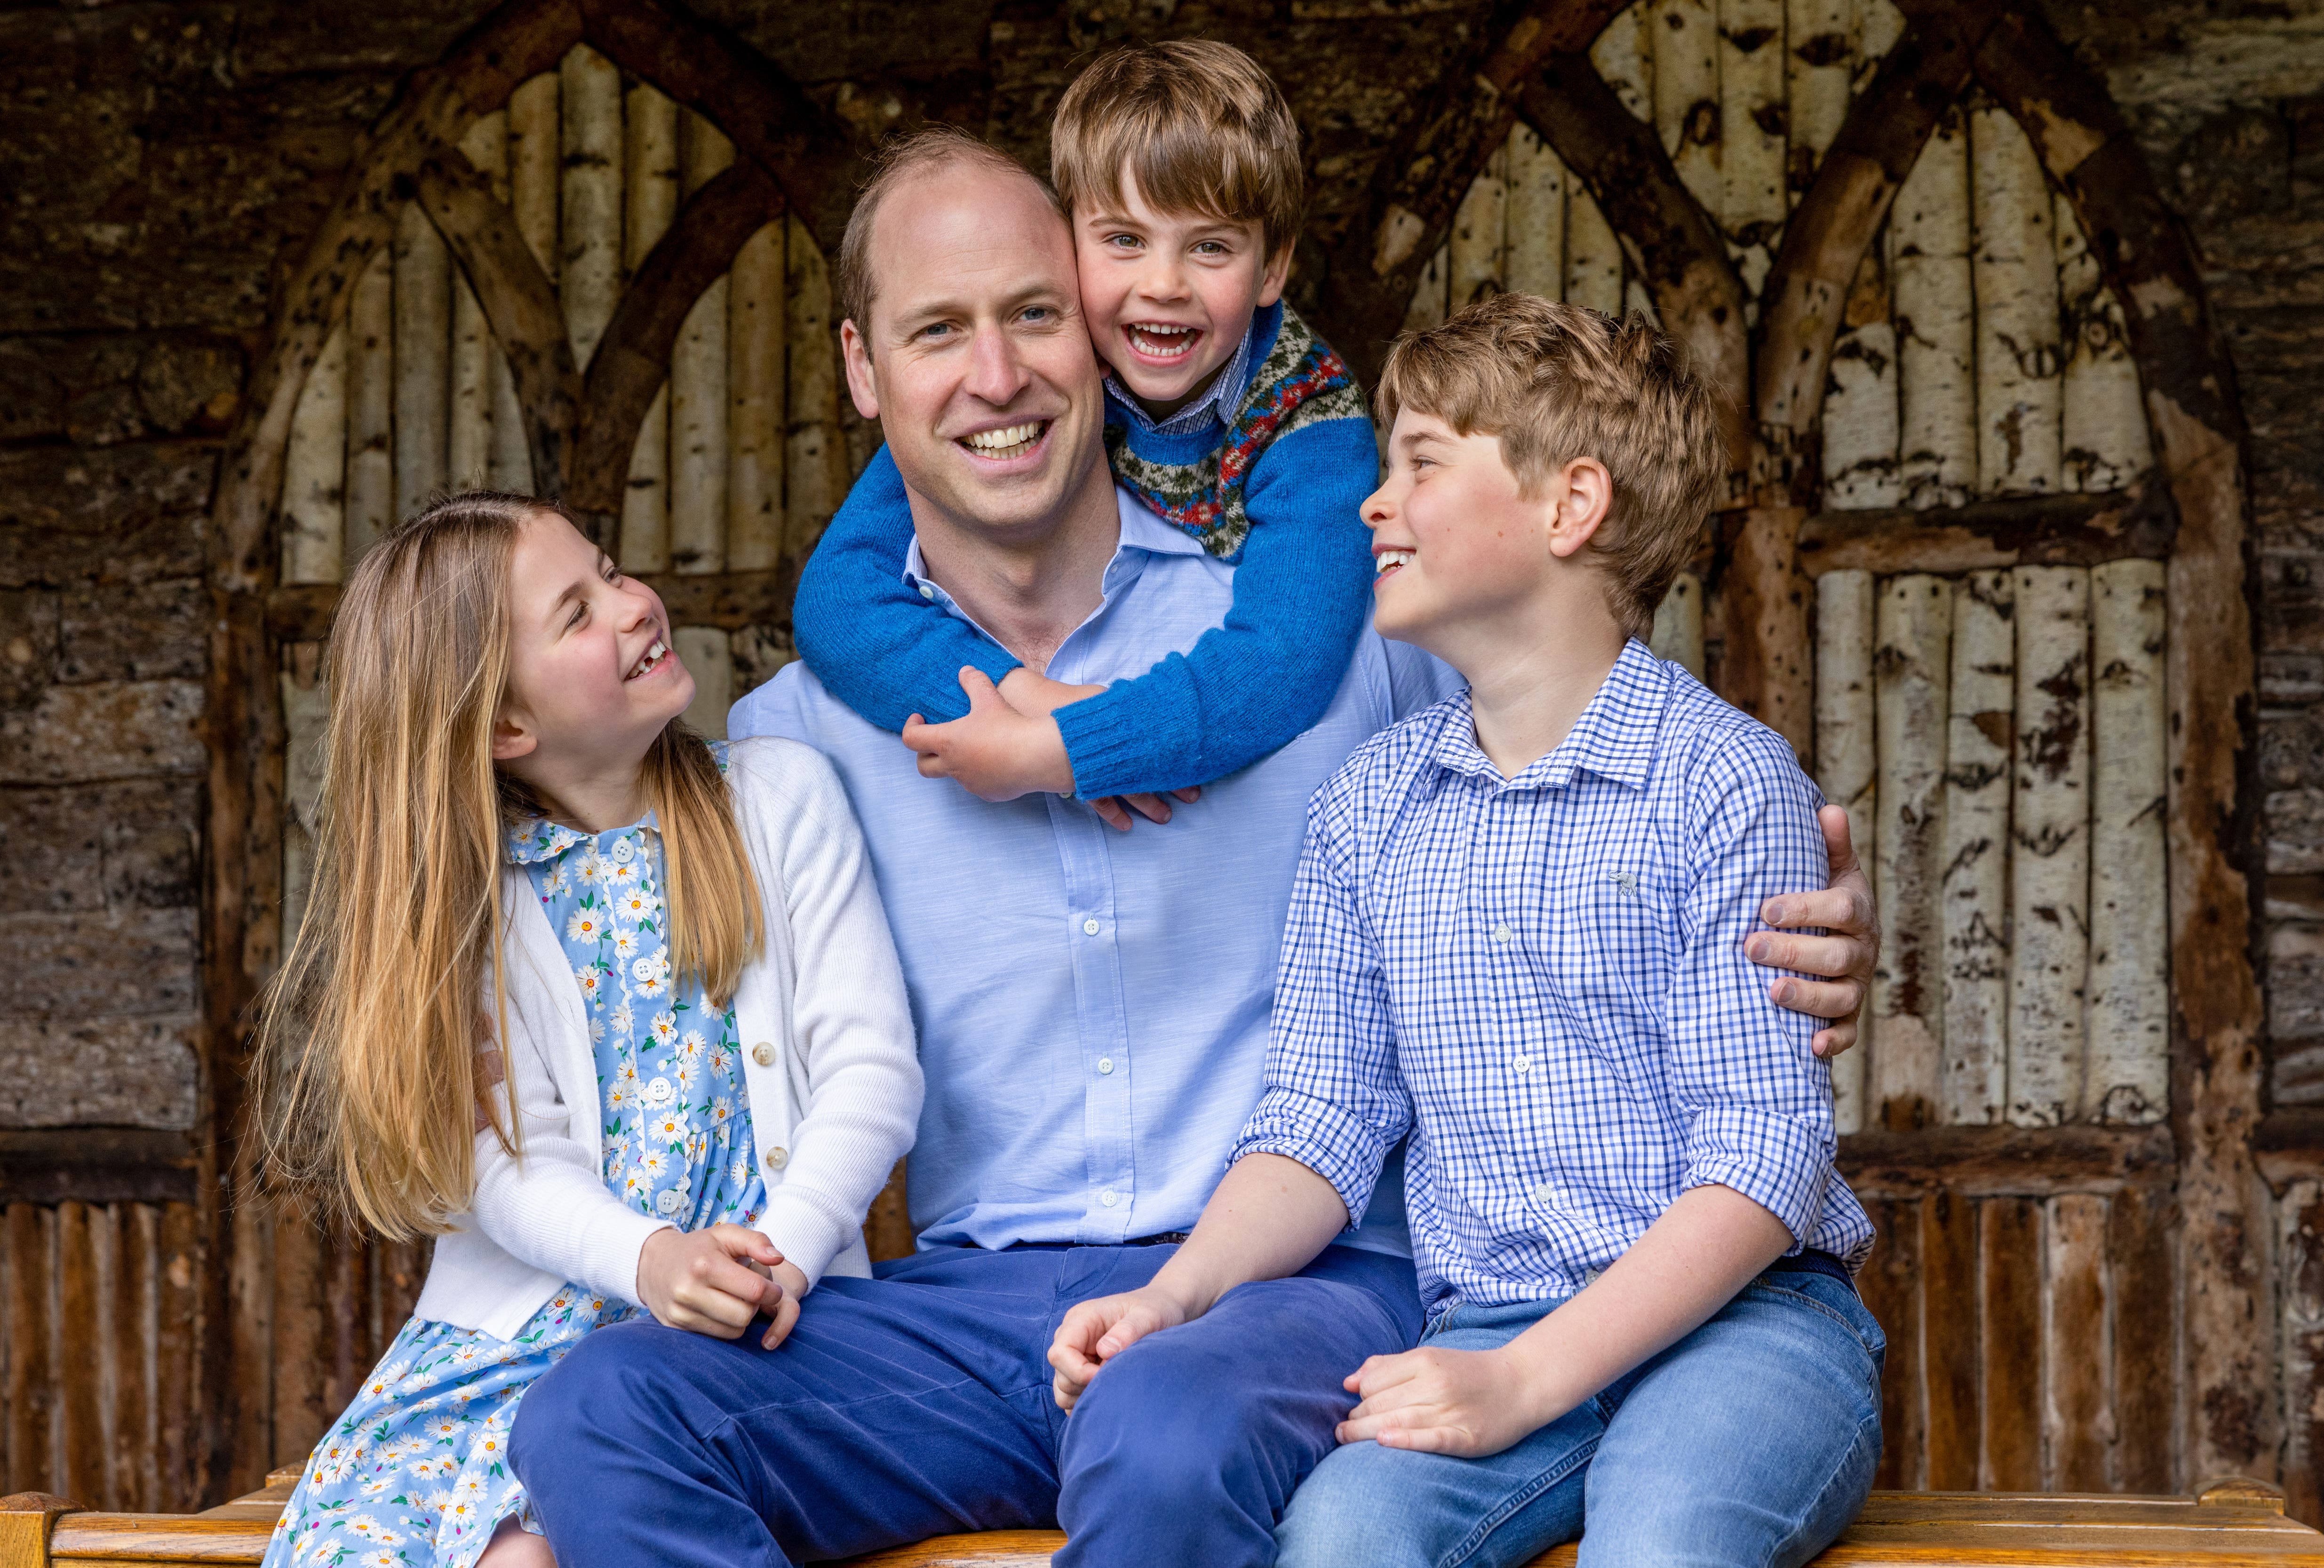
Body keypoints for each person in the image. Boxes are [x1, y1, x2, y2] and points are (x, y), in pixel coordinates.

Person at [508, 134, 1882, 1568]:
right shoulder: (804, 740)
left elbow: (1577, 716)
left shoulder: (1325, 643)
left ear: (1102, 334)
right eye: (937, 332)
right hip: (980, 1308)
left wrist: (1804, 916)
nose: (997, 375)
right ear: (865, 370)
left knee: (1168, 1430)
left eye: (1036, 314)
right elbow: (561, 916)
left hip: (1300, 1292)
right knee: (599, 1412)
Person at [1048, 295, 1883, 1568]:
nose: (1374, 503)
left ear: (1571, 505)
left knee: (1662, 1546)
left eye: (1422, 463)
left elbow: (1764, 1157)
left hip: (1747, 1324)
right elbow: (1318, 1125)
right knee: (1341, 1538)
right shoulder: (1371, 806)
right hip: (1488, 1317)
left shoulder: (1721, 780)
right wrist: (1176, 1291)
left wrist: (1527, 1382)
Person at [249, 492, 921, 1568]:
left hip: (750, 1332)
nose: (632, 602)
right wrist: (646, 1258)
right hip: (513, 1346)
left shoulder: (778, 799)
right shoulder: (479, 901)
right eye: (576, 612)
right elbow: (506, 1161)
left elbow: (871, 1070)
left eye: (610, 569)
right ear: (509, 725)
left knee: (536, 1553)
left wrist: (782, 1255)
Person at [792, 40, 1374, 816]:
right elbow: (835, 600)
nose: (1162, 286)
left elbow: (1286, 662)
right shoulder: (1063, 367)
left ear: (1272, 270)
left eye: (1209, 247)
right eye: (1125, 241)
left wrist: (1072, 748)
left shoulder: (1314, 420)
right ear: (1070, 245)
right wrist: (1018, 696)